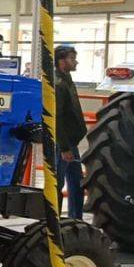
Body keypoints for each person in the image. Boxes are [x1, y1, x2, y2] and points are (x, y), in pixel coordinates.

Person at [55, 45, 87, 219]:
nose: (76, 62)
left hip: (70, 142)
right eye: (72, 58)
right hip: (62, 143)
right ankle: (55, 223)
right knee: (57, 184)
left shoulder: (66, 79)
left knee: (77, 182)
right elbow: (57, 118)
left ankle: (76, 220)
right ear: (62, 61)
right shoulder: (58, 84)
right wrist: (64, 147)